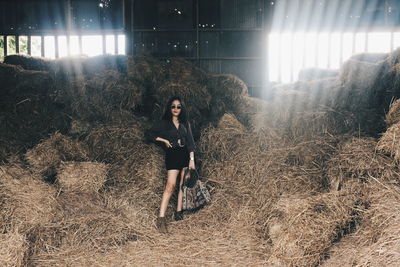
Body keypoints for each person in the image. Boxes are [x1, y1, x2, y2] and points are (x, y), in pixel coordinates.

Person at [147, 96, 195, 233]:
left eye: (178, 106)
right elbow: (149, 133)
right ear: (170, 108)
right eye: (173, 106)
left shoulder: (186, 123)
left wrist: (192, 159)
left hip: (185, 155)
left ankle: (178, 213)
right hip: (172, 155)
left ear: (182, 108)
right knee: (171, 185)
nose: (175, 109)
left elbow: (191, 143)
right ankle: (161, 218)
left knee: (182, 184)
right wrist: (163, 140)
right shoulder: (164, 123)